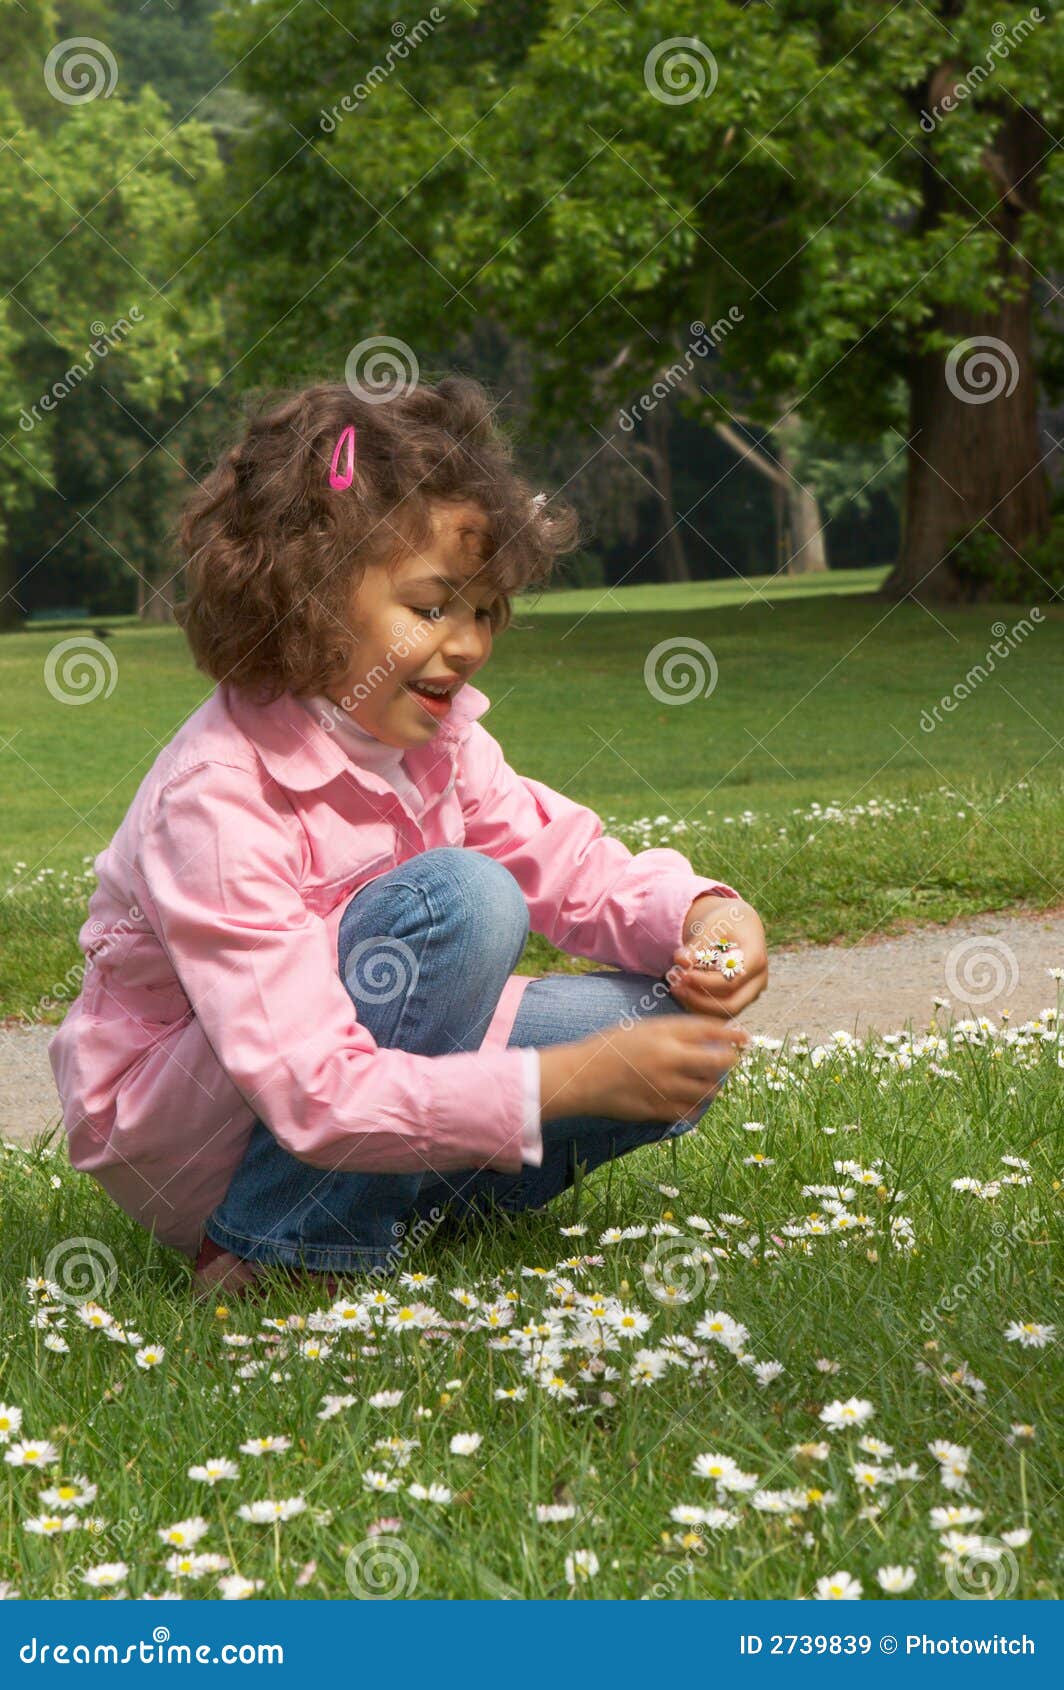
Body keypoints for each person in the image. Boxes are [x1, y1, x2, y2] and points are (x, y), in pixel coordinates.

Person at [47, 375, 768, 1299]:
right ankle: (269, 1251)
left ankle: (396, 1204)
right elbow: (309, 1089)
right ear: (304, 594)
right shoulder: (217, 798)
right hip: (204, 1129)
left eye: (485, 610)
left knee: (665, 1033)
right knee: (463, 901)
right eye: (433, 607)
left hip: (361, 1065)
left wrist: (703, 914)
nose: (468, 643)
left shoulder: (439, 739)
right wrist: (559, 1084)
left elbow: (573, 867)